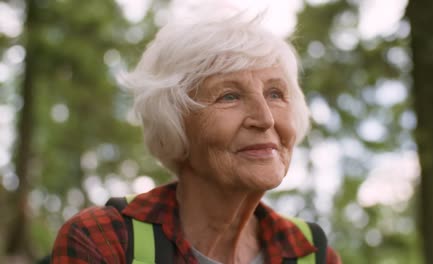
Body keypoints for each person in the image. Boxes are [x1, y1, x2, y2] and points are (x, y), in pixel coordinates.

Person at [51, 14, 341, 264]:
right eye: (229, 96)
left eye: (275, 94)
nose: (265, 119)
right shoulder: (104, 240)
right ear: (173, 122)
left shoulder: (312, 253)